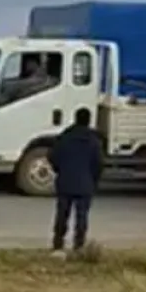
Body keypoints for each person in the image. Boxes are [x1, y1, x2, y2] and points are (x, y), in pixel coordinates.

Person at [46, 107, 102, 255]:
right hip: (85, 183)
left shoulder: (64, 137)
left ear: (75, 118)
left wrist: (60, 170)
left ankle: (58, 243)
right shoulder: (93, 140)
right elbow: (98, 164)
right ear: (89, 120)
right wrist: (93, 180)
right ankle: (79, 245)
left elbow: (52, 157)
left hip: (65, 182)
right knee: (82, 216)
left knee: (62, 215)